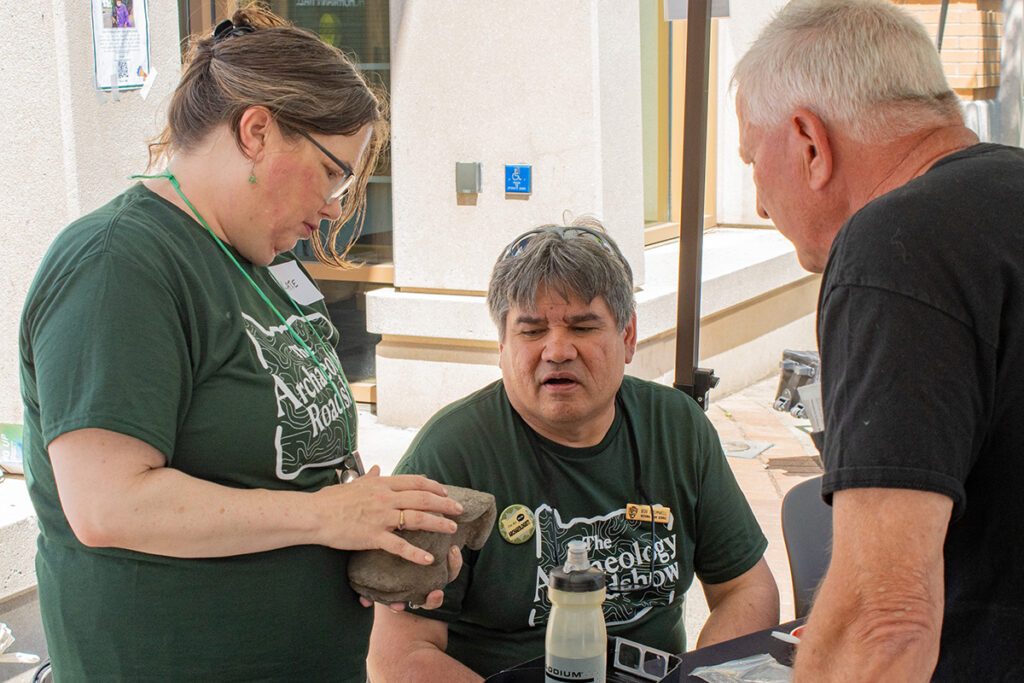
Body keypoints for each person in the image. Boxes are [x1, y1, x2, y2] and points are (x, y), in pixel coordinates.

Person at [19, 7, 463, 681]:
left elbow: (282, 476)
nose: (337, 209)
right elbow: (108, 504)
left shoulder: (258, 257)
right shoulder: (118, 262)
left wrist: (373, 535)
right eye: (334, 173)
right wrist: (325, 516)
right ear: (257, 131)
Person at [732, 0, 1024, 680]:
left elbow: (884, 622)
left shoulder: (895, 247)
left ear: (809, 143)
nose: (757, 203)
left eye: (753, 160)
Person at [367, 218, 780, 681]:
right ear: (501, 344)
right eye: (531, 330)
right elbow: (398, 655)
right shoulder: (450, 454)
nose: (557, 350)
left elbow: (747, 589)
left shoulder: (677, 426)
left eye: (583, 327)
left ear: (627, 338)